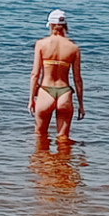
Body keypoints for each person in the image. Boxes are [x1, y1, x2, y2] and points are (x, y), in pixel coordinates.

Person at [29, 9, 84, 141]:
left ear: (51, 25)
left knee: (40, 136)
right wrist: (81, 104)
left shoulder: (41, 44)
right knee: (63, 138)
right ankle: (62, 162)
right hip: (64, 93)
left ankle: (42, 161)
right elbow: (77, 79)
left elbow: (35, 74)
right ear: (65, 26)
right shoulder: (73, 48)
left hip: (45, 92)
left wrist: (31, 99)